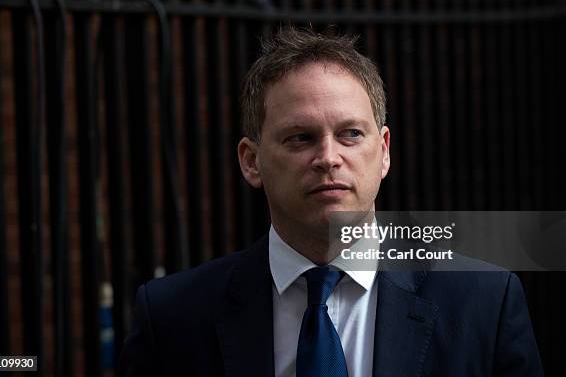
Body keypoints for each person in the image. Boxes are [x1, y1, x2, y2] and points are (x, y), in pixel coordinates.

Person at [120, 27, 543, 376]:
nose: (327, 157)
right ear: (251, 161)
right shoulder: (172, 317)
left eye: (350, 134)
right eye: (300, 137)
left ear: (384, 151)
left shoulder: (483, 302)